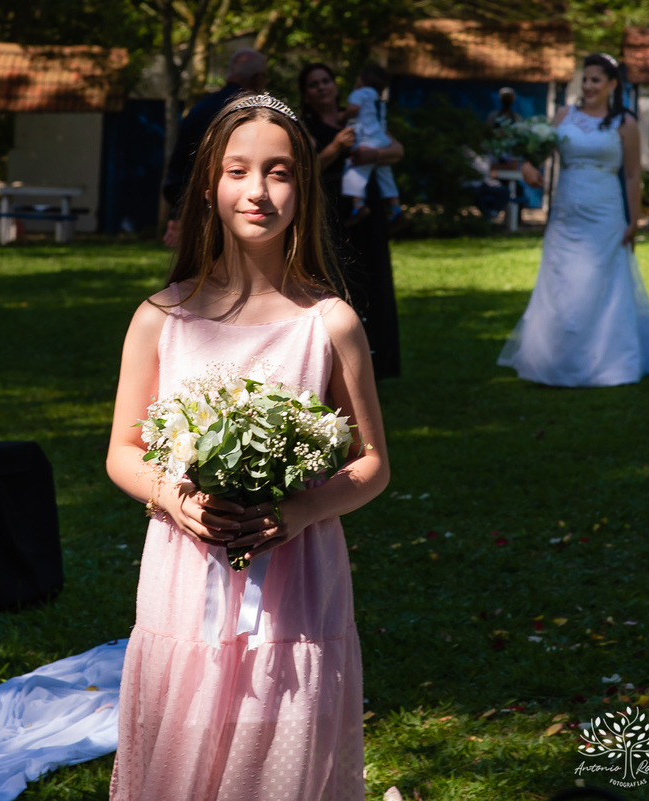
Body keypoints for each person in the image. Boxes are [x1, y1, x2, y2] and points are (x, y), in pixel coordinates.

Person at [107, 93, 389, 800]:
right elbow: (122, 450)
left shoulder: (330, 322)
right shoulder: (161, 318)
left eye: (280, 172)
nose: (258, 191)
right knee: (184, 747)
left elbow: (373, 462)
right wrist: (177, 498)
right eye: (239, 170)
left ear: (304, 187)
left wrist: (302, 509)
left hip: (295, 580)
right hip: (183, 570)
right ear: (211, 184)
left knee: (280, 744)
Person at [498, 53, 649, 386]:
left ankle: (607, 362)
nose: (588, 86)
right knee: (561, 280)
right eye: (585, 79)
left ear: (612, 85)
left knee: (602, 283)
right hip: (567, 212)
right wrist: (528, 167)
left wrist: (633, 220)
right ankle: (553, 360)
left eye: (595, 80)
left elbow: (631, 175)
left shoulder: (624, 123)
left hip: (605, 212)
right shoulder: (563, 116)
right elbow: (536, 156)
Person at [299, 62, 405, 380]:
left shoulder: (358, 114)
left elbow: (397, 149)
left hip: (366, 206)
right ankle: (337, 362)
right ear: (306, 93)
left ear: (336, 85)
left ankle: (378, 359)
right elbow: (305, 170)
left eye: (326, 81)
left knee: (374, 275)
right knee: (340, 277)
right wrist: (335, 147)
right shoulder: (303, 126)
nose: (322, 87)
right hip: (331, 210)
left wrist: (372, 156)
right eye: (314, 84)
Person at [162, 49, 268, 248]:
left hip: (198, 212)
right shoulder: (254, 113)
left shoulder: (199, 109)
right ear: (258, 79)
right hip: (243, 213)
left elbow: (179, 167)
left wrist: (177, 215)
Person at [341, 62, 402, 227]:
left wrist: (341, 117)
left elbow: (353, 110)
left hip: (367, 140)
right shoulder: (379, 100)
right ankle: (395, 207)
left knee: (354, 169)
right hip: (382, 139)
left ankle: (358, 205)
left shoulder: (359, 93)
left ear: (360, 80)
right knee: (385, 173)